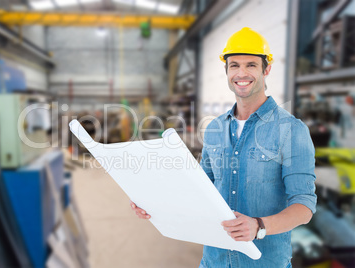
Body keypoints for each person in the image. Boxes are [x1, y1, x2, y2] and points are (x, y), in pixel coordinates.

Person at [130, 27, 317, 268]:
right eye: (234, 65)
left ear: (266, 69)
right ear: (226, 70)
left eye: (251, 65)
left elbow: (304, 206)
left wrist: (259, 226)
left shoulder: (291, 129)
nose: (242, 73)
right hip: (214, 261)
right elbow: (199, 190)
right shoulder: (215, 128)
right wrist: (154, 203)